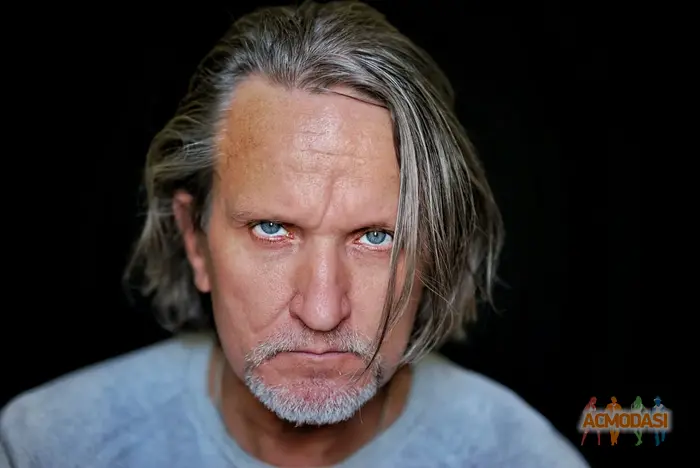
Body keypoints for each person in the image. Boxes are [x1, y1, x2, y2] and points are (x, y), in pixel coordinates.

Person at [0, 1, 588, 467]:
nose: (322, 310)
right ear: (194, 241)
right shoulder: (47, 445)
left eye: (376, 237)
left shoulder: (520, 456)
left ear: (437, 249)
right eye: (272, 228)